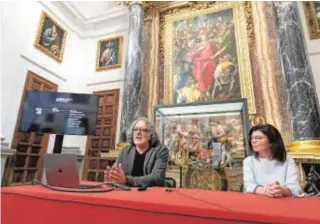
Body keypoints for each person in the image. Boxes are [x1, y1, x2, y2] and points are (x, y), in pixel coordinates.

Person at [104, 117, 169, 187]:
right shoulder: (125, 151)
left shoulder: (161, 150)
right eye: (135, 129)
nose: (138, 132)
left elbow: (157, 178)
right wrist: (112, 177)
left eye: (143, 130)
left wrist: (126, 180)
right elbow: (115, 173)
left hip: (151, 193)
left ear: (151, 134)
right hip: (128, 192)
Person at [243, 124, 302, 197]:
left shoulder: (288, 160)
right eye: (252, 138)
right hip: (258, 202)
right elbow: (248, 185)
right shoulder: (248, 161)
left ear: (271, 142)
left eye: (258, 138)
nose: (253, 141)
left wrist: (281, 190)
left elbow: (295, 189)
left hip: (283, 202)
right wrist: (265, 191)